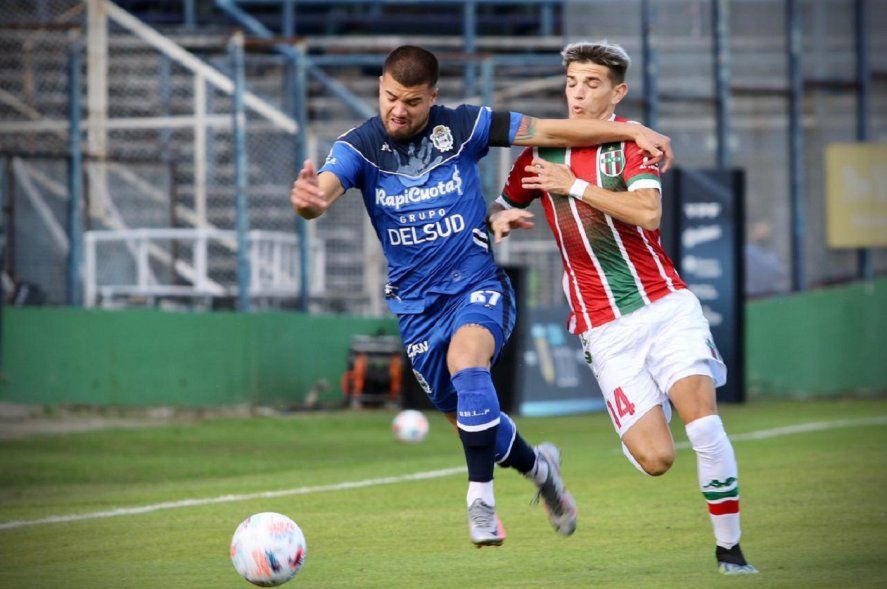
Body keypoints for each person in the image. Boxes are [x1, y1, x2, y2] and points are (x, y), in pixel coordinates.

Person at [290, 45, 673, 548]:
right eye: (388, 97)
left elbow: (551, 131)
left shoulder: (466, 127)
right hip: (416, 308)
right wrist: (311, 202)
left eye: (410, 100)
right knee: (479, 425)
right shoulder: (360, 146)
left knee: (468, 365)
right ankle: (542, 471)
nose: (397, 110)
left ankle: (481, 502)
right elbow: (323, 192)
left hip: (476, 284)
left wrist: (631, 129)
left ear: (433, 98)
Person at [489, 41, 757, 574]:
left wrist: (577, 186)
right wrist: (500, 219)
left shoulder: (635, 146)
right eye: (571, 83)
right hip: (603, 328)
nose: (578, 94)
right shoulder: (539, 154)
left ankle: (731, 551)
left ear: (618, 91)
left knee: (703, 426)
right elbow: (505, 203)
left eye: (591, 83)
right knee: (657, 460)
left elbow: (648, 212)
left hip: (663, 305)